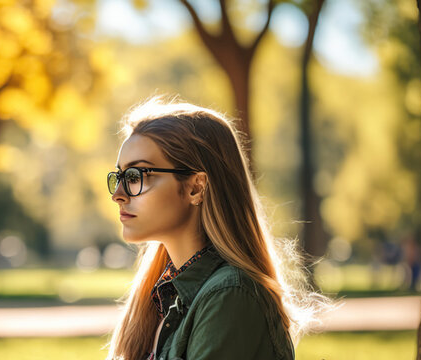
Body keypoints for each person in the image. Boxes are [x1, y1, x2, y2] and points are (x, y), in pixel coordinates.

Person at [105, 96, 330, 360]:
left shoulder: (230, 295)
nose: (118, 194)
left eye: (135, 176)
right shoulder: (163, 296)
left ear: (196, 187)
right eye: (119, 177)